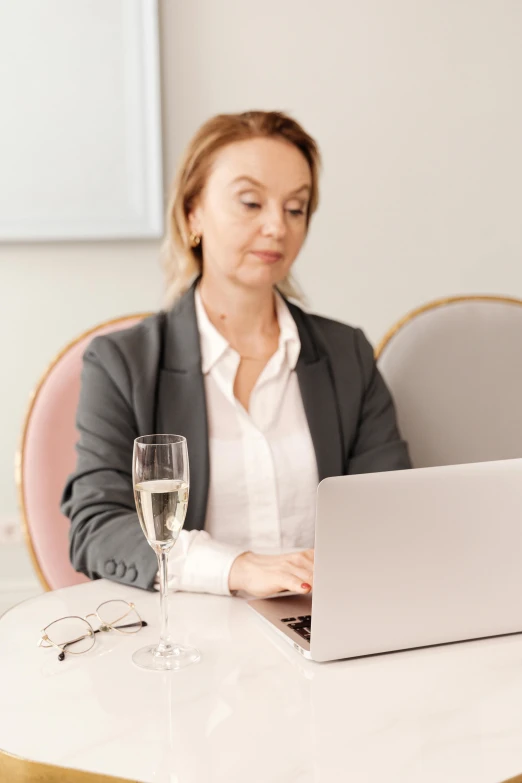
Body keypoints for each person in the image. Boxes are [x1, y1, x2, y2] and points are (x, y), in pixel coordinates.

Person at [61, 110, 410, 599]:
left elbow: (392, 508)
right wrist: (238, 568)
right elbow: (96, 528)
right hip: (187, 637)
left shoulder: (346, 352)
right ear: (192, 213)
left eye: (296, 208)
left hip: (324, 627)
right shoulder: (123, 363)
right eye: (250, 202)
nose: (277, 226)